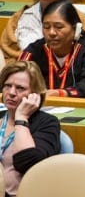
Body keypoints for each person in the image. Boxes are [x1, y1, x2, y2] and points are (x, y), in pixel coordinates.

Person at [18, 0, 85, 99]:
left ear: (76, 29)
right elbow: (14, 80)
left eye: (59, 27)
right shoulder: (34, 50)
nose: (52, 32)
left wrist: (61, 94)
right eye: (46, 27)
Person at [0, 61, 61, 196]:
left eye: (20, 88)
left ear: (35, 95)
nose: (11, 93)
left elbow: (27, 164)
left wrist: (21, 118)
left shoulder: (47, 124)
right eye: (7, 86)